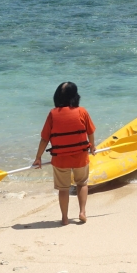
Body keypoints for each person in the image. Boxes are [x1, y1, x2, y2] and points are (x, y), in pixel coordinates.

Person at [33, 82, 96, 226]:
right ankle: (82, 212)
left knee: (63, 188)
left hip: (61, 159)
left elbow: (44, 139)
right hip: (80, 157)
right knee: (82, 183)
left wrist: (38, 158)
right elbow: (91, 132)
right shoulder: (82, 112)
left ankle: (65, 218)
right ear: (75, 96)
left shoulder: (53, 114)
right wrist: (92, 147)